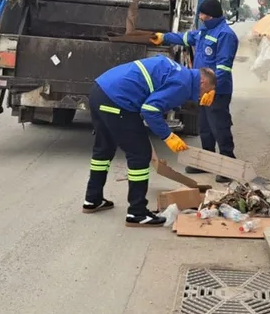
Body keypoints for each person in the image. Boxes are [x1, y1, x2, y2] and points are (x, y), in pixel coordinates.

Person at [83, 55, 217, 227]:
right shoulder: (183, 85)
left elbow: (160, 95)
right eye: (206, 92)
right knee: (140, 154)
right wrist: (168, 136)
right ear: (202, 82)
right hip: (118, 100)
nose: (203, 96)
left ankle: (92, 200)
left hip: (100, 90)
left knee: (104, 148)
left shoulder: (180, 73)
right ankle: (137, 213)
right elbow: (150, 110)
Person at [150, 0, 239, 182]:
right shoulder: (204, 31)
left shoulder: (225, 35)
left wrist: (214, 89)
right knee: (205, 128)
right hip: (202, 89)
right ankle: (207, 162)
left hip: (217, 91)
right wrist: (164, 37)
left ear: (211, 16)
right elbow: (184, 38)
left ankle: (228, 166)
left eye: (203, 14)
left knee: (219, 127)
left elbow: (224, 68)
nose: (200, 17)